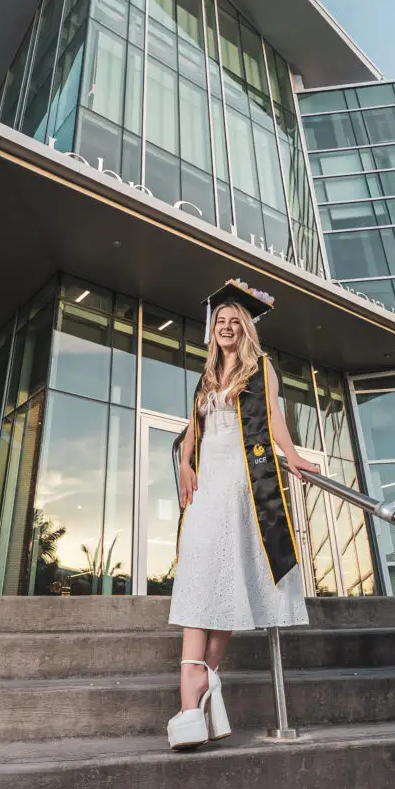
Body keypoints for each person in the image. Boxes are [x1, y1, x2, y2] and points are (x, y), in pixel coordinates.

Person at [166, 279, 321, 751]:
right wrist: (185, 463)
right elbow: (195, 424)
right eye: (221, 322)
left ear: (245, 329)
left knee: (228, 580)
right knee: (198, 572)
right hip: (209, 484)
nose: (227, 327)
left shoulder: (261, 368)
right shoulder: (207, 376)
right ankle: (202, 680)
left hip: (242, 486)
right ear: (213, 330)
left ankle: (197, 688)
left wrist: (291, 455)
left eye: (235, 322)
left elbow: (273, 416)